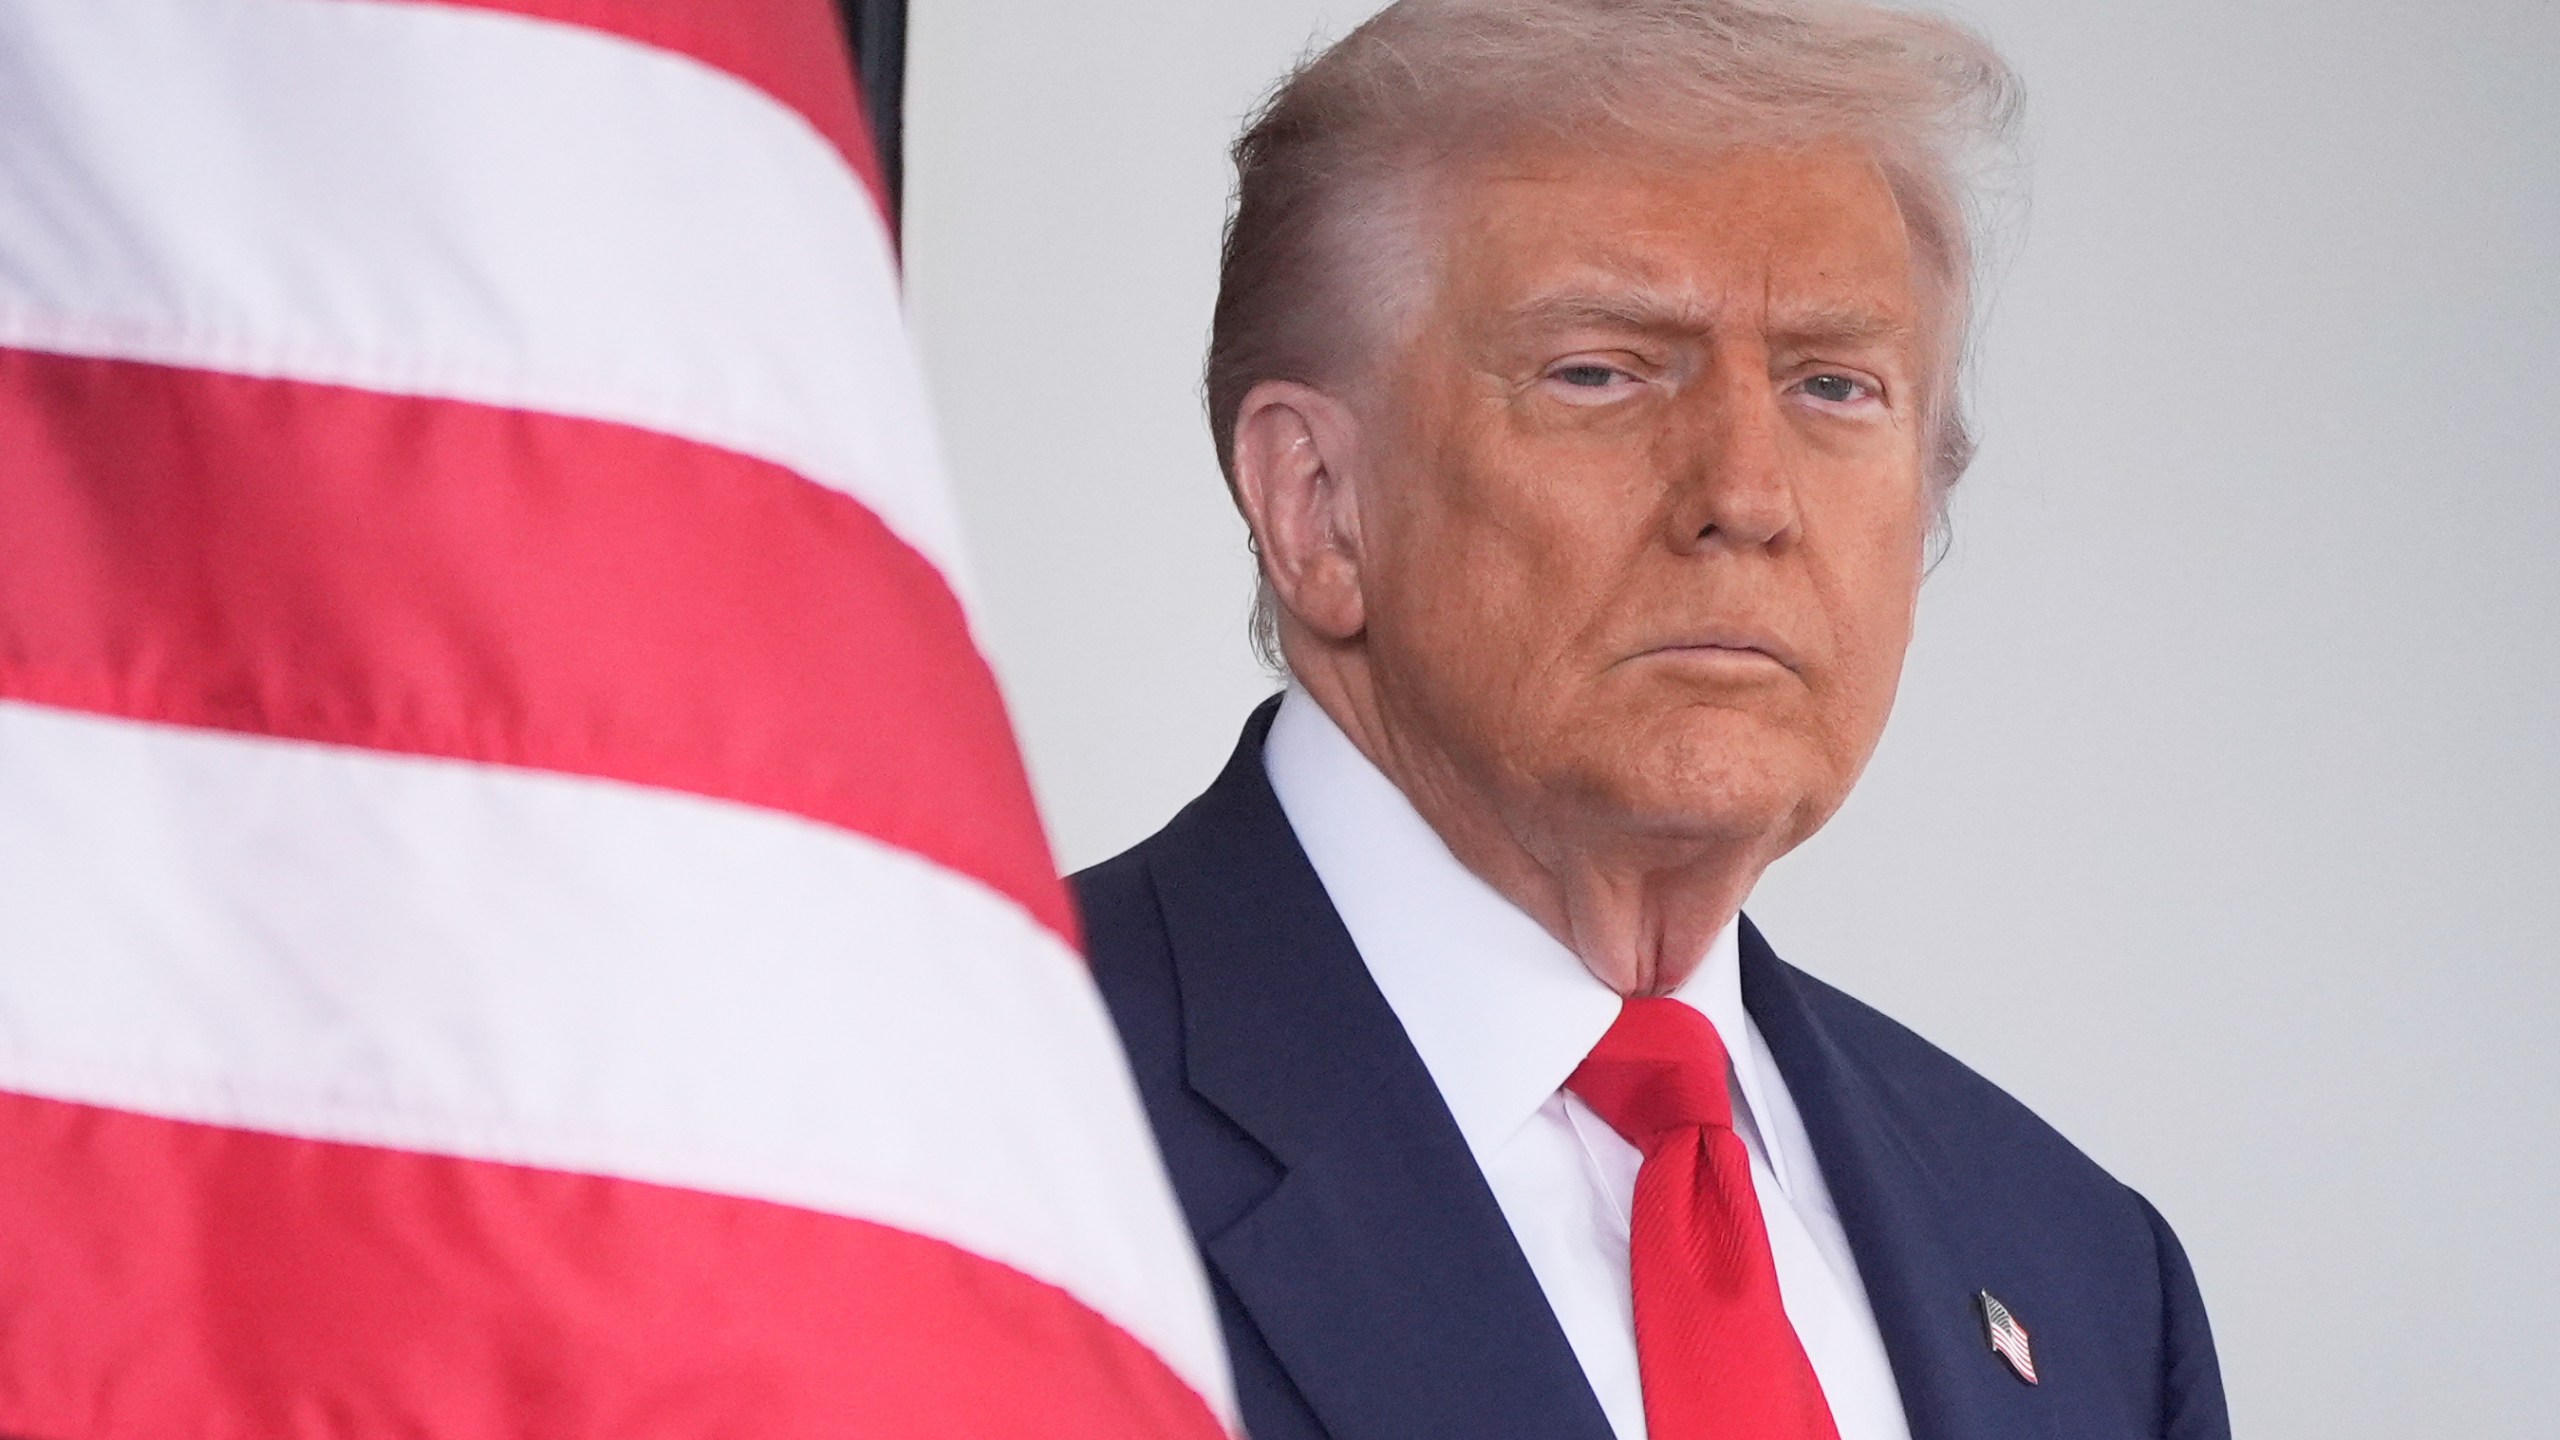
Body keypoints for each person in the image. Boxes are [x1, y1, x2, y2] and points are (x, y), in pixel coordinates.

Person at [1072, 1, 2232, 1436]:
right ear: (1317, 507)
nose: (1746, 493)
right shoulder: (968, 1121)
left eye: (1833, 385)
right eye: (1602, 372)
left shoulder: (2086, 1271)